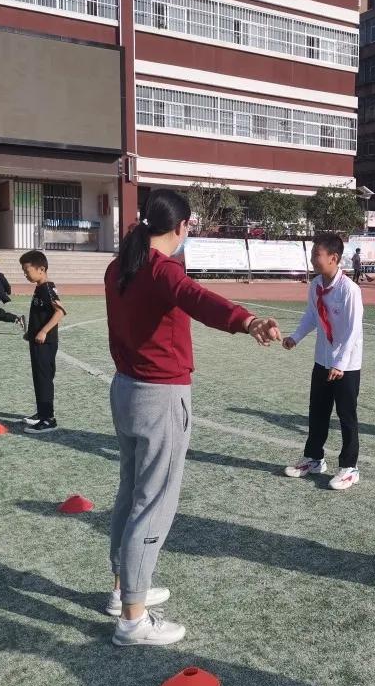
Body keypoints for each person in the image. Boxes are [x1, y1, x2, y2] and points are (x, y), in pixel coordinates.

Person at [105, 189, 280, 647]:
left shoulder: (119, 266)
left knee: (130, 492)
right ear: (182, 226)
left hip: (126, 391)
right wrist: (247, 321)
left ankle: (124, 589)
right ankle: (132, 619)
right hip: (159, 396)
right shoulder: (161, 270)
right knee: (152, 503)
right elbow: (197, 298)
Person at [282, 232, 364, 491]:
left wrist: (340, 363)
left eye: (316, 254)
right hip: (322, 359)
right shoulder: (316, 285)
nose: (312, 258)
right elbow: (312, 315)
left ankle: (349, 468)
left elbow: (352, 331)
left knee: (346, 415)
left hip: (346, 365)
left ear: (333, 258)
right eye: (312, 253)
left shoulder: (349, 290)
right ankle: (314, 459)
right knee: (317, 411)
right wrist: (295, 337)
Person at [19, 250, 65, 433]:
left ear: (41, 269)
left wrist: (44, 331)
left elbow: (60, 312)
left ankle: (48, 419)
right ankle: (41, 412)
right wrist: (31, 333)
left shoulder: (47, 288)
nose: (25, 274)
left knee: (44, 378)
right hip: (37, 341)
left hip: (45, 343)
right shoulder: (40, 288)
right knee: (38, 378)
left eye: (27, 270)